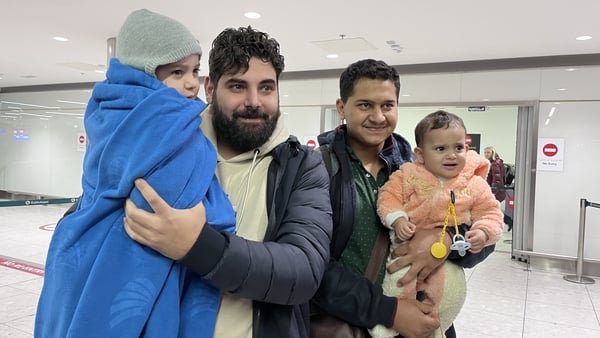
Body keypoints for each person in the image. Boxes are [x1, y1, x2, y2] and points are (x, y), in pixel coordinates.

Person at [35, 9, 237, 337]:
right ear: (144, 74)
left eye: (195, 70)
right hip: (131, 257)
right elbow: (180, 200)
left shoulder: (105, 114)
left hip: (76, 251)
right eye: (176, 71)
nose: (191, 83)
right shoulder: (169, 125)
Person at [122, 26, 332, 338]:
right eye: (237, 86)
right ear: (210, 88)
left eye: (266, 88)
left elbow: (304, 270)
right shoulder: (166, 148)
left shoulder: (300, 165)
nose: (254, 101)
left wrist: (198, 246)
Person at [310, 59, 496, 338]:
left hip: (420, 317)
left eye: (387, 105)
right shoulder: (318, 170)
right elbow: (310, 265)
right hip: (345, 322)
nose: (378, 116)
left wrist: (445, 240)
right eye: (365, 105)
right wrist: (390, 311)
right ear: (341, 108)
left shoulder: (420, 168)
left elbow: (481, 232)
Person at [371, 110, 504, 337]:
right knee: (399, 281)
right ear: (420, 154)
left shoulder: (473, 183)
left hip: (449, 264)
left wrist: (481, 232)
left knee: (450, 292)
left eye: (459, 147)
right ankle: (388, 328)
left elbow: (490, 213)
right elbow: (388, 197)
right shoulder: (408, 174)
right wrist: (398, 218)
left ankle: (438, 326)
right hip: (402, 252)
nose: (452, 155)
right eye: (441, 149)